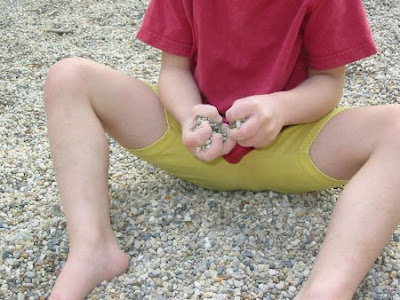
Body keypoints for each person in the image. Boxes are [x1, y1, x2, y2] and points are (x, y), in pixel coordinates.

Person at [44, 0, 400, 299]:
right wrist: (188, 117)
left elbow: (328, 83)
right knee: (68, 77)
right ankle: (92, 247)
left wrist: (279, 108)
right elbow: (174, 71)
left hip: (292, 141)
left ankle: (327, 289)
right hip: (194, 141)